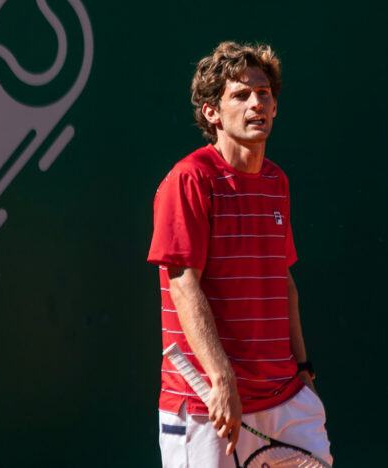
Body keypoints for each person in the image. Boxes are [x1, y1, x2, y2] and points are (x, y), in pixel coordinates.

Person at [147, 41, 333, 467]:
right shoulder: (189, 179)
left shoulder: (276, 181)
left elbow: (282, 282)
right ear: (212, 112)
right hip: (208, 404)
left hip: (285, 399)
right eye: (241, 95)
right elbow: (183, 287)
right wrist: (222, 379)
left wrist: (304, 371)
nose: (256, 103)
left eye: (264, 93)